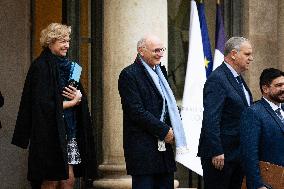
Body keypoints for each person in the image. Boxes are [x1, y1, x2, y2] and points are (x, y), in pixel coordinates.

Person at [11, 23, 96, 189]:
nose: (67, 45)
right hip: (49, 133)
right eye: (62, 41)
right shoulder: (40, 67)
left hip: (69, 130)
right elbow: (40, 105)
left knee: (68, 180)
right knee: (51, 180)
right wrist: (72, 102)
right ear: (50, 42)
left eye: (68, 41)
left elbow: (79, 97)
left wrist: (79, 98)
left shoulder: (73, 67)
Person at [118, 34, 187, 189]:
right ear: (141, 51)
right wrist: (164, 131)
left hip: (164, 151)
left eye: (162, 49)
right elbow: (136, 111)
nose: (160, 53)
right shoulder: (129, 74)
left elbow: (169, 106)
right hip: (143, 149)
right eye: (156, 50)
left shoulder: (160, 72)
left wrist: (174, 129)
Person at [197, 37, 254, 189]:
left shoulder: (237, 79)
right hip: (221, 156)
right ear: (234, 54)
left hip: (237, 154)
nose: (251, 58)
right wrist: (216, 150)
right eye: (247, 54)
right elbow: (211, 118)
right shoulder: (218, 79)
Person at [240, 68, 284, 189]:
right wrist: (258, 185)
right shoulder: (253, 113)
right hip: (269, 182)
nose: (283, 88)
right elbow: (249, 153)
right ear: (265, 89)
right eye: (279, 85)